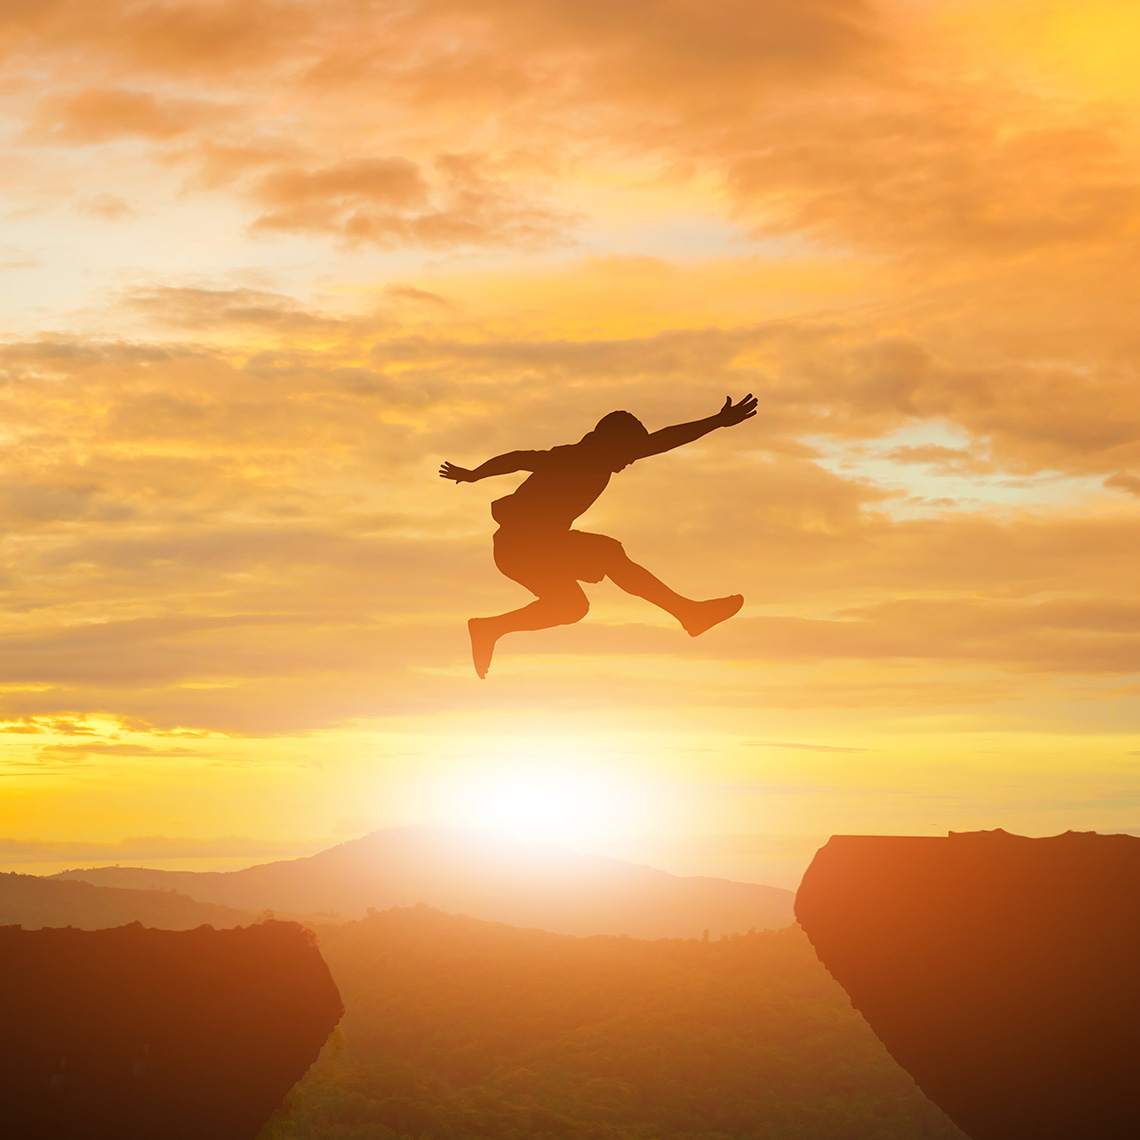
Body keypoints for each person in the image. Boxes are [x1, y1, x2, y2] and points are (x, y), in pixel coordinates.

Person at [440, 394, 758, 678]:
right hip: (521, 546)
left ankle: (489, 628)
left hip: (528, 551)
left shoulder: (604, 459)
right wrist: (474, 474)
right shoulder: (574, 459)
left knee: (571, 607)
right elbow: (520, 458)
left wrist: (717, 421)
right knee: (608, 553)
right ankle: (690, 614)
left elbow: (664, 440)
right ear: (611, 445)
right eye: (628, 453)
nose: (631, 460)